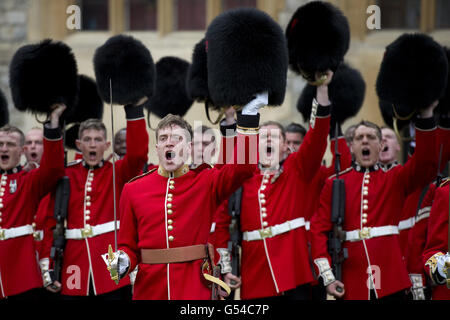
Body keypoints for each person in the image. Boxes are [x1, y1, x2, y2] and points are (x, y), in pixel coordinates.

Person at [108, 93, 266, 300]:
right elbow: (129, 245)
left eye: (177, 139)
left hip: (194, 287)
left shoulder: (205, 181)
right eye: (163, 139)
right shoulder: (133, 189)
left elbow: (243, 167)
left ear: (189, 148)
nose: (170, 144)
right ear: (157, 148)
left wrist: (249, 115)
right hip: (150, 290)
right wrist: (123, 261)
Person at [214, 72, 334, 300]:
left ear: (286, 147)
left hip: (294, 271)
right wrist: (231, 119)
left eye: (274, 137)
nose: (267, 139)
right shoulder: (244, 177)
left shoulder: (297, 169)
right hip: (255, 273)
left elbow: (317, 136)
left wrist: (322, 90)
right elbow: (226, 168)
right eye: (262, 136)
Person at [311, 101, 439, 300]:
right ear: (351, 147)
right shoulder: (335, 183)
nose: (365, 141)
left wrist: (427, 115)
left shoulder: (395, 178)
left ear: (380, 146)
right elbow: (318, 230)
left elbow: (425, 161)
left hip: (390, 273)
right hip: (352, 274)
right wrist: (327, 276)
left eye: (371, 137)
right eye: (359, 138)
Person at [43, 101, 149, 299]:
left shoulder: (117, 172)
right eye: (88, 139)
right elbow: (50, 222)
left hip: (112, 256)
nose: (92, 144)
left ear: (107, 145)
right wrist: (53, 122)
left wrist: (133, 109)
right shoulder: (67, 175)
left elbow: (137, 155)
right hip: (74, 259)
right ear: (79, 144)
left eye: (98, 140)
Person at [0, 105, 65, 299]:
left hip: (19, 269)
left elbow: (53, 168)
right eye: (1, 144)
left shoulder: (27, 181)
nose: (4, 148)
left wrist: (52, 124)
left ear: (21, 150)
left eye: (10, 145)